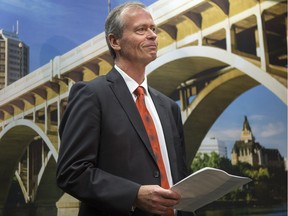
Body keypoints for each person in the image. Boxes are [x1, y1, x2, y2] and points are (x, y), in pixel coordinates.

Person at [56, 2, 192, 216]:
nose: (152, 35)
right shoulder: (92, 95)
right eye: (141, 29)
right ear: (115, 41)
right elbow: (72, 172)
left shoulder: (168, 107)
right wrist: (134, 195)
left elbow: (180, 174)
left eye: (153, 29)